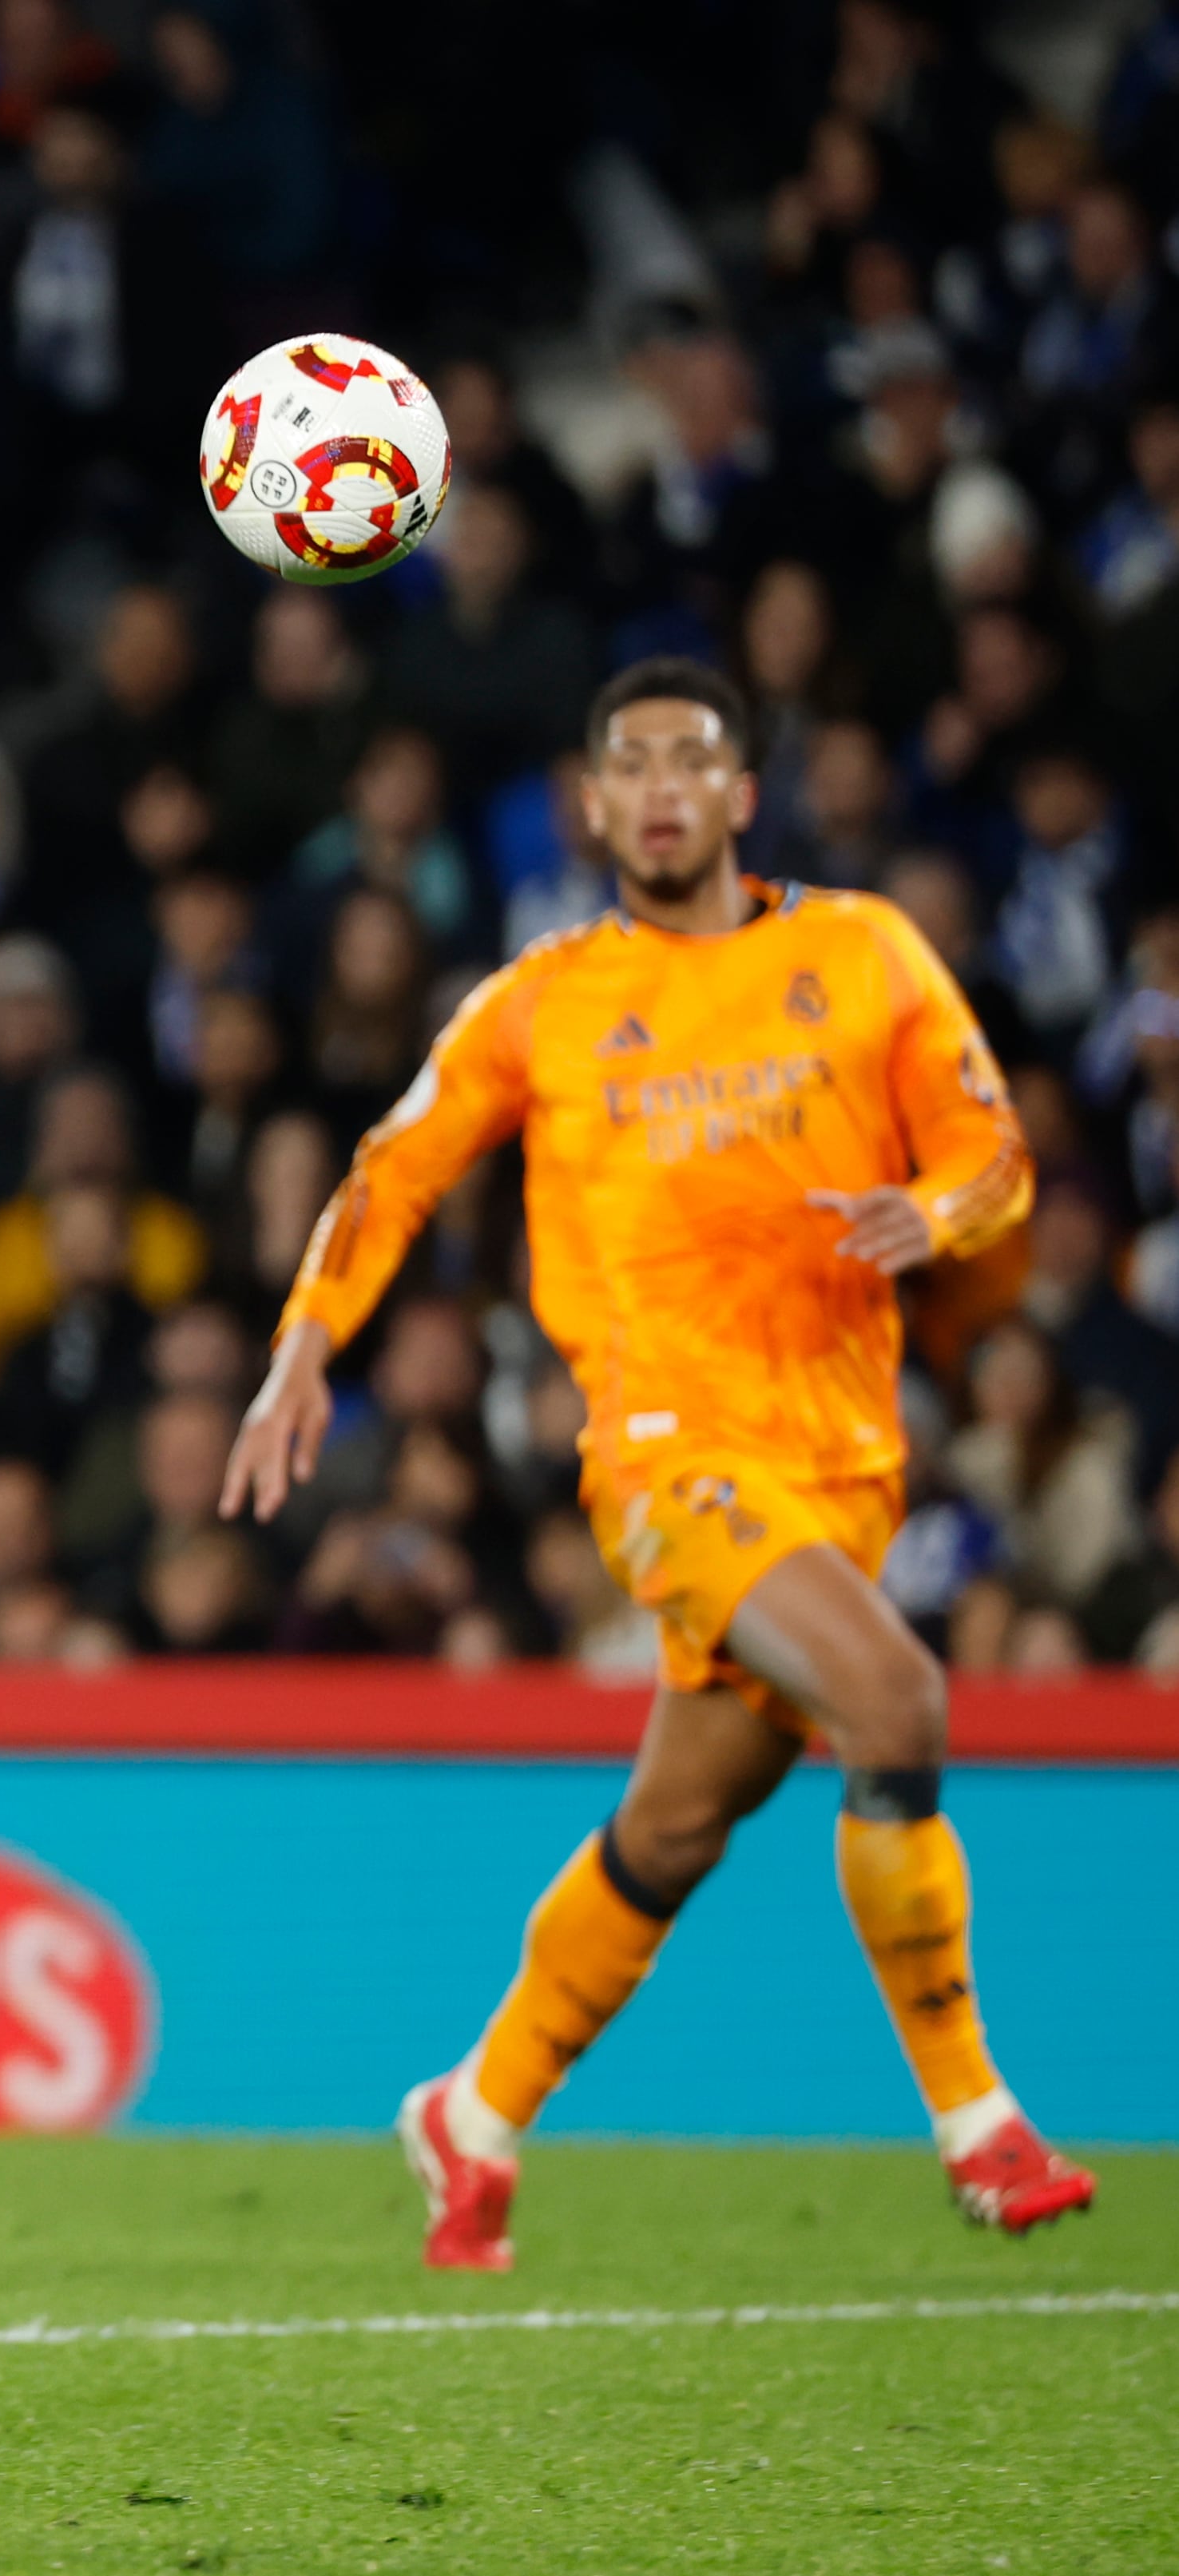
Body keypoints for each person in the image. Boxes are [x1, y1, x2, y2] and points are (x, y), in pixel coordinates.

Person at [221, 657, 1096, 2273]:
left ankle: (470, 2115)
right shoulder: (541, 996)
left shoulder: (863, 951)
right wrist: (300, 1344)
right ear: (589, 801)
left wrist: (942, 1212)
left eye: (690, 758)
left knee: (673, 1830)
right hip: (663, 1458)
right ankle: (979, 2126)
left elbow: (993, 1146)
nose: (659, 786)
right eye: (626, 763)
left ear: (741, 793)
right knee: (893, 1703)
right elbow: (389, 1165)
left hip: (838, 1462)